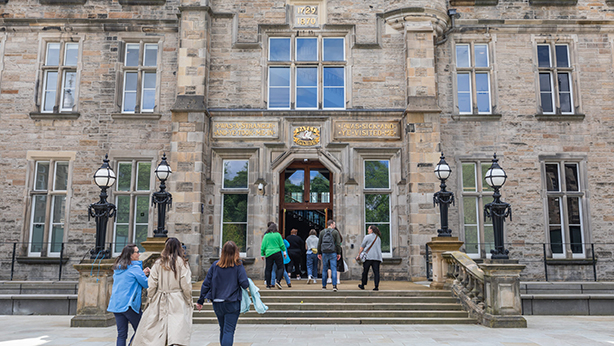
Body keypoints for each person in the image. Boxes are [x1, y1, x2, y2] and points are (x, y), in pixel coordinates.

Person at [132, 237, 193, 346]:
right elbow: (186, 284)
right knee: (176, 327)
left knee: (157, 329)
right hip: (177, 298)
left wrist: (150, 298)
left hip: (160, 297)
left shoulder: (158, 263)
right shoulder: (182, 263)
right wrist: (188, 299)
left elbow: (152, 284)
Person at [196, 241, 249, 346]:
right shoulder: (238, 265)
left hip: (217, 302)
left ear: (223, 252)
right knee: (228, 331)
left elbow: (206, 284)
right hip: (232, 302)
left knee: (223, 329)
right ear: (236, 252)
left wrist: (200, 300)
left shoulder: (215, 265)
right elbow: (244, 284)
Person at [107, 244, 150, 346]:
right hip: (129, 305)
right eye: (137, 252)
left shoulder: (118, 268)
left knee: (121, 334)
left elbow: (129, 278)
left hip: (116, 304)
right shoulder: (135, 268)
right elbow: (146, 283)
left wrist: (141, 273)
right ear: (131, 255)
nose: (139, 254)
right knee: (141, 330)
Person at [356, 225, 383, 291]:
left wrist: (359, 255)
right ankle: (376, 286)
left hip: (368, 257)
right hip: (377, 257)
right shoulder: (378, 238)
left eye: (368, 228)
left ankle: (363, 284)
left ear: (371, 230)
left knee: (365, 271)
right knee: (376, 272)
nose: (368, 230)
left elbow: (362, 246)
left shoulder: (367, 237)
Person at [317, 219, 341, 291]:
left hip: (324, 252)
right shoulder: (335, 232)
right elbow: (338, 243)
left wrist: (319, 252)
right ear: (331, 224)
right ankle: (334, 286)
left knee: (324, 269)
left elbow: (319, 243)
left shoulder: (322, 232)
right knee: (334, 269)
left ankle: (324, 286)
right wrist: (338, 253)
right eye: (334, 224)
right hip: (333, 252)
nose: (335, 226)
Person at [260, 222, 286, 289]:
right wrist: (284, 252)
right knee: (280, 267)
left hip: (268, 253)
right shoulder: (278, 235)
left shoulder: (266, 235)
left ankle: (268, 285)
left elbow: (263, 246)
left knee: (268, 269)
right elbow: (282, 244)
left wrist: (262, 254)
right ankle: (278, 281)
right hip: (277, 252)